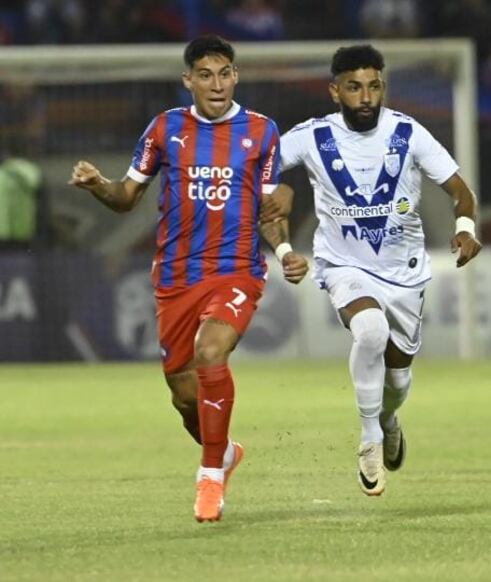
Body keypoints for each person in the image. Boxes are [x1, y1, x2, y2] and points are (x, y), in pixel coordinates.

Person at [69, 35, 309, 522]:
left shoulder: (262, 132)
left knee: (211, 352)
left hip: (236, 270)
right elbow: (126, 198)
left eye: (225, 74)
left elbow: (268, 208)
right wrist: (98, 185)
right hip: (176, 277)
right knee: (183, 397)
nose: (216, 84)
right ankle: (222, 453)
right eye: (205, 75)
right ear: (188, 81)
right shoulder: (164, 130)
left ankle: (209, 478)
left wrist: (284, 250)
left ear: (236, 77)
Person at [262, 44, 482, 496]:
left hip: (403, 272)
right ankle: (369, 438)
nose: (365, 97)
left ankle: (387, 418)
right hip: (343, 265)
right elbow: (256, 170)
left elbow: (461, 191)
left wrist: (465, 227)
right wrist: (279, 187)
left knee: (398, 380)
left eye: (374, 86)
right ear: (335, 91)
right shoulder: (310, 136)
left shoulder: (408, 133)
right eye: (354, 87)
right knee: (369, 332)